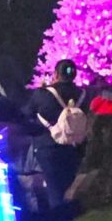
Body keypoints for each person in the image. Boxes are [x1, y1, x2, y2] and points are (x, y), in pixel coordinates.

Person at [31, 60, 91, 209]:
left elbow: (28, 114)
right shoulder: (83, 94)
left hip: (48, 147)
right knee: (68, 184)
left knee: (54, 187)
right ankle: (69, 219)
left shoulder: (42, 94)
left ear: (56, 74)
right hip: (74, 146)